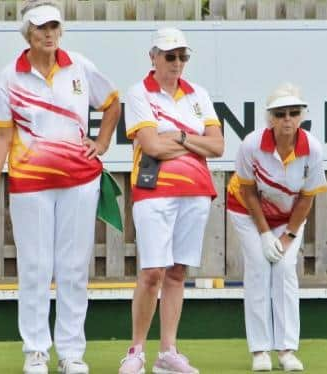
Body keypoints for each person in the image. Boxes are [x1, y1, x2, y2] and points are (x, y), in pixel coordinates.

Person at [0, 1, 121, 373]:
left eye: (54, 27)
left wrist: (102, 144)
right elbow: (1, 134)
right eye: (40, 29)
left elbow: (112, 105)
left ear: (60, 30)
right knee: (35, 267)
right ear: (28, 34)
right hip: (30, 184)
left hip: (80, 182)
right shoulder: (10, 76)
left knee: (73, 267)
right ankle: (35, 350)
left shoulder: (80, 66)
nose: (49, 34)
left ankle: (70, 354)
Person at [118, 27, 224, 374]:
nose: (177, 63)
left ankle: (168, 352)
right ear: (153, 57)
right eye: (170, 56)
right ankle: (136, 351)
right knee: (152, 273)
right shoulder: (138, 94)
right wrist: (194, 141)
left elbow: (218, 146)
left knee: (177, 273)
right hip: (154, 192)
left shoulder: (199, 94)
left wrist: (177, 135)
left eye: (182, 56)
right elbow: (151, 146)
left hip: (195, 192)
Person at [226, 83, 327, 372]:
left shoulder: (313, 149)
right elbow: (247, 192)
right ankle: (259, 351)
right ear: (270, 118)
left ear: (301, 116)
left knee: (283, 269)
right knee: (258, 267)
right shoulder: (251, 145)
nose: (287, 119)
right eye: (280, 113)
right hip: (247, 211)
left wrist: (288, 236)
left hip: (289, 216)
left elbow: (307, 197)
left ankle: (286, 350)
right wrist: (264, 232)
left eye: (293, 113)